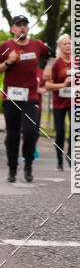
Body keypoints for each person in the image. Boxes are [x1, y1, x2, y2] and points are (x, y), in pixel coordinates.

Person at [0, 15, 54, 183]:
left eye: (25, 25)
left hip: (31, 96)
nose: (22, 28)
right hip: (11, 97)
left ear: (28, 28)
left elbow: (52, 54)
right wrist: (8, 62)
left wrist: (48, 68)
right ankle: (12, 169)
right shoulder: (5, 46)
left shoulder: (37, 45)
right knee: (13, 135)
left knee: (31, 131)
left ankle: (28, 164)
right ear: (13, 29)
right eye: (19, 25)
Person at [44, 34, 72, 171]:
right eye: (64, 44)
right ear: (60, 47)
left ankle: (71, 156)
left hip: (74, 102)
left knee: (75, 131)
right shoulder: (55, 63)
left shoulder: (78, 62)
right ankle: (59, 160)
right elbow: (48, 85)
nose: (67, 46)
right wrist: (63, 85)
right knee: (60, 132)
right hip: (58, 103)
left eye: (69, 43)